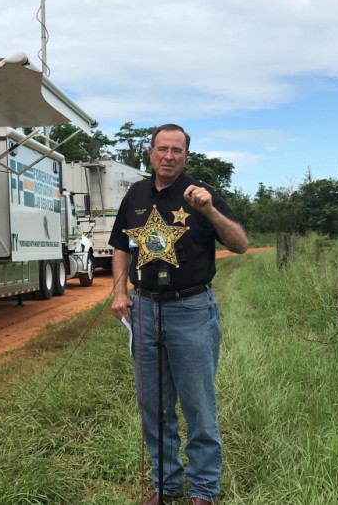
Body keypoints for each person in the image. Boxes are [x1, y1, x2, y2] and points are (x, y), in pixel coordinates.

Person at [109, 124, 248, 505]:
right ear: (150, 152)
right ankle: (166, 485)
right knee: (153, 403)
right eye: (162, 149)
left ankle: (203, 489)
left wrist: (211, 211)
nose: (169, 156)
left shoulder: (201, 195)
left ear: (187, 155)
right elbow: (121, 245)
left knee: (197, 403)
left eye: (177, 150)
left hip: (192, 308)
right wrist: (120, 291)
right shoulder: (135, 194)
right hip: (145, 307)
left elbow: (240, 244)